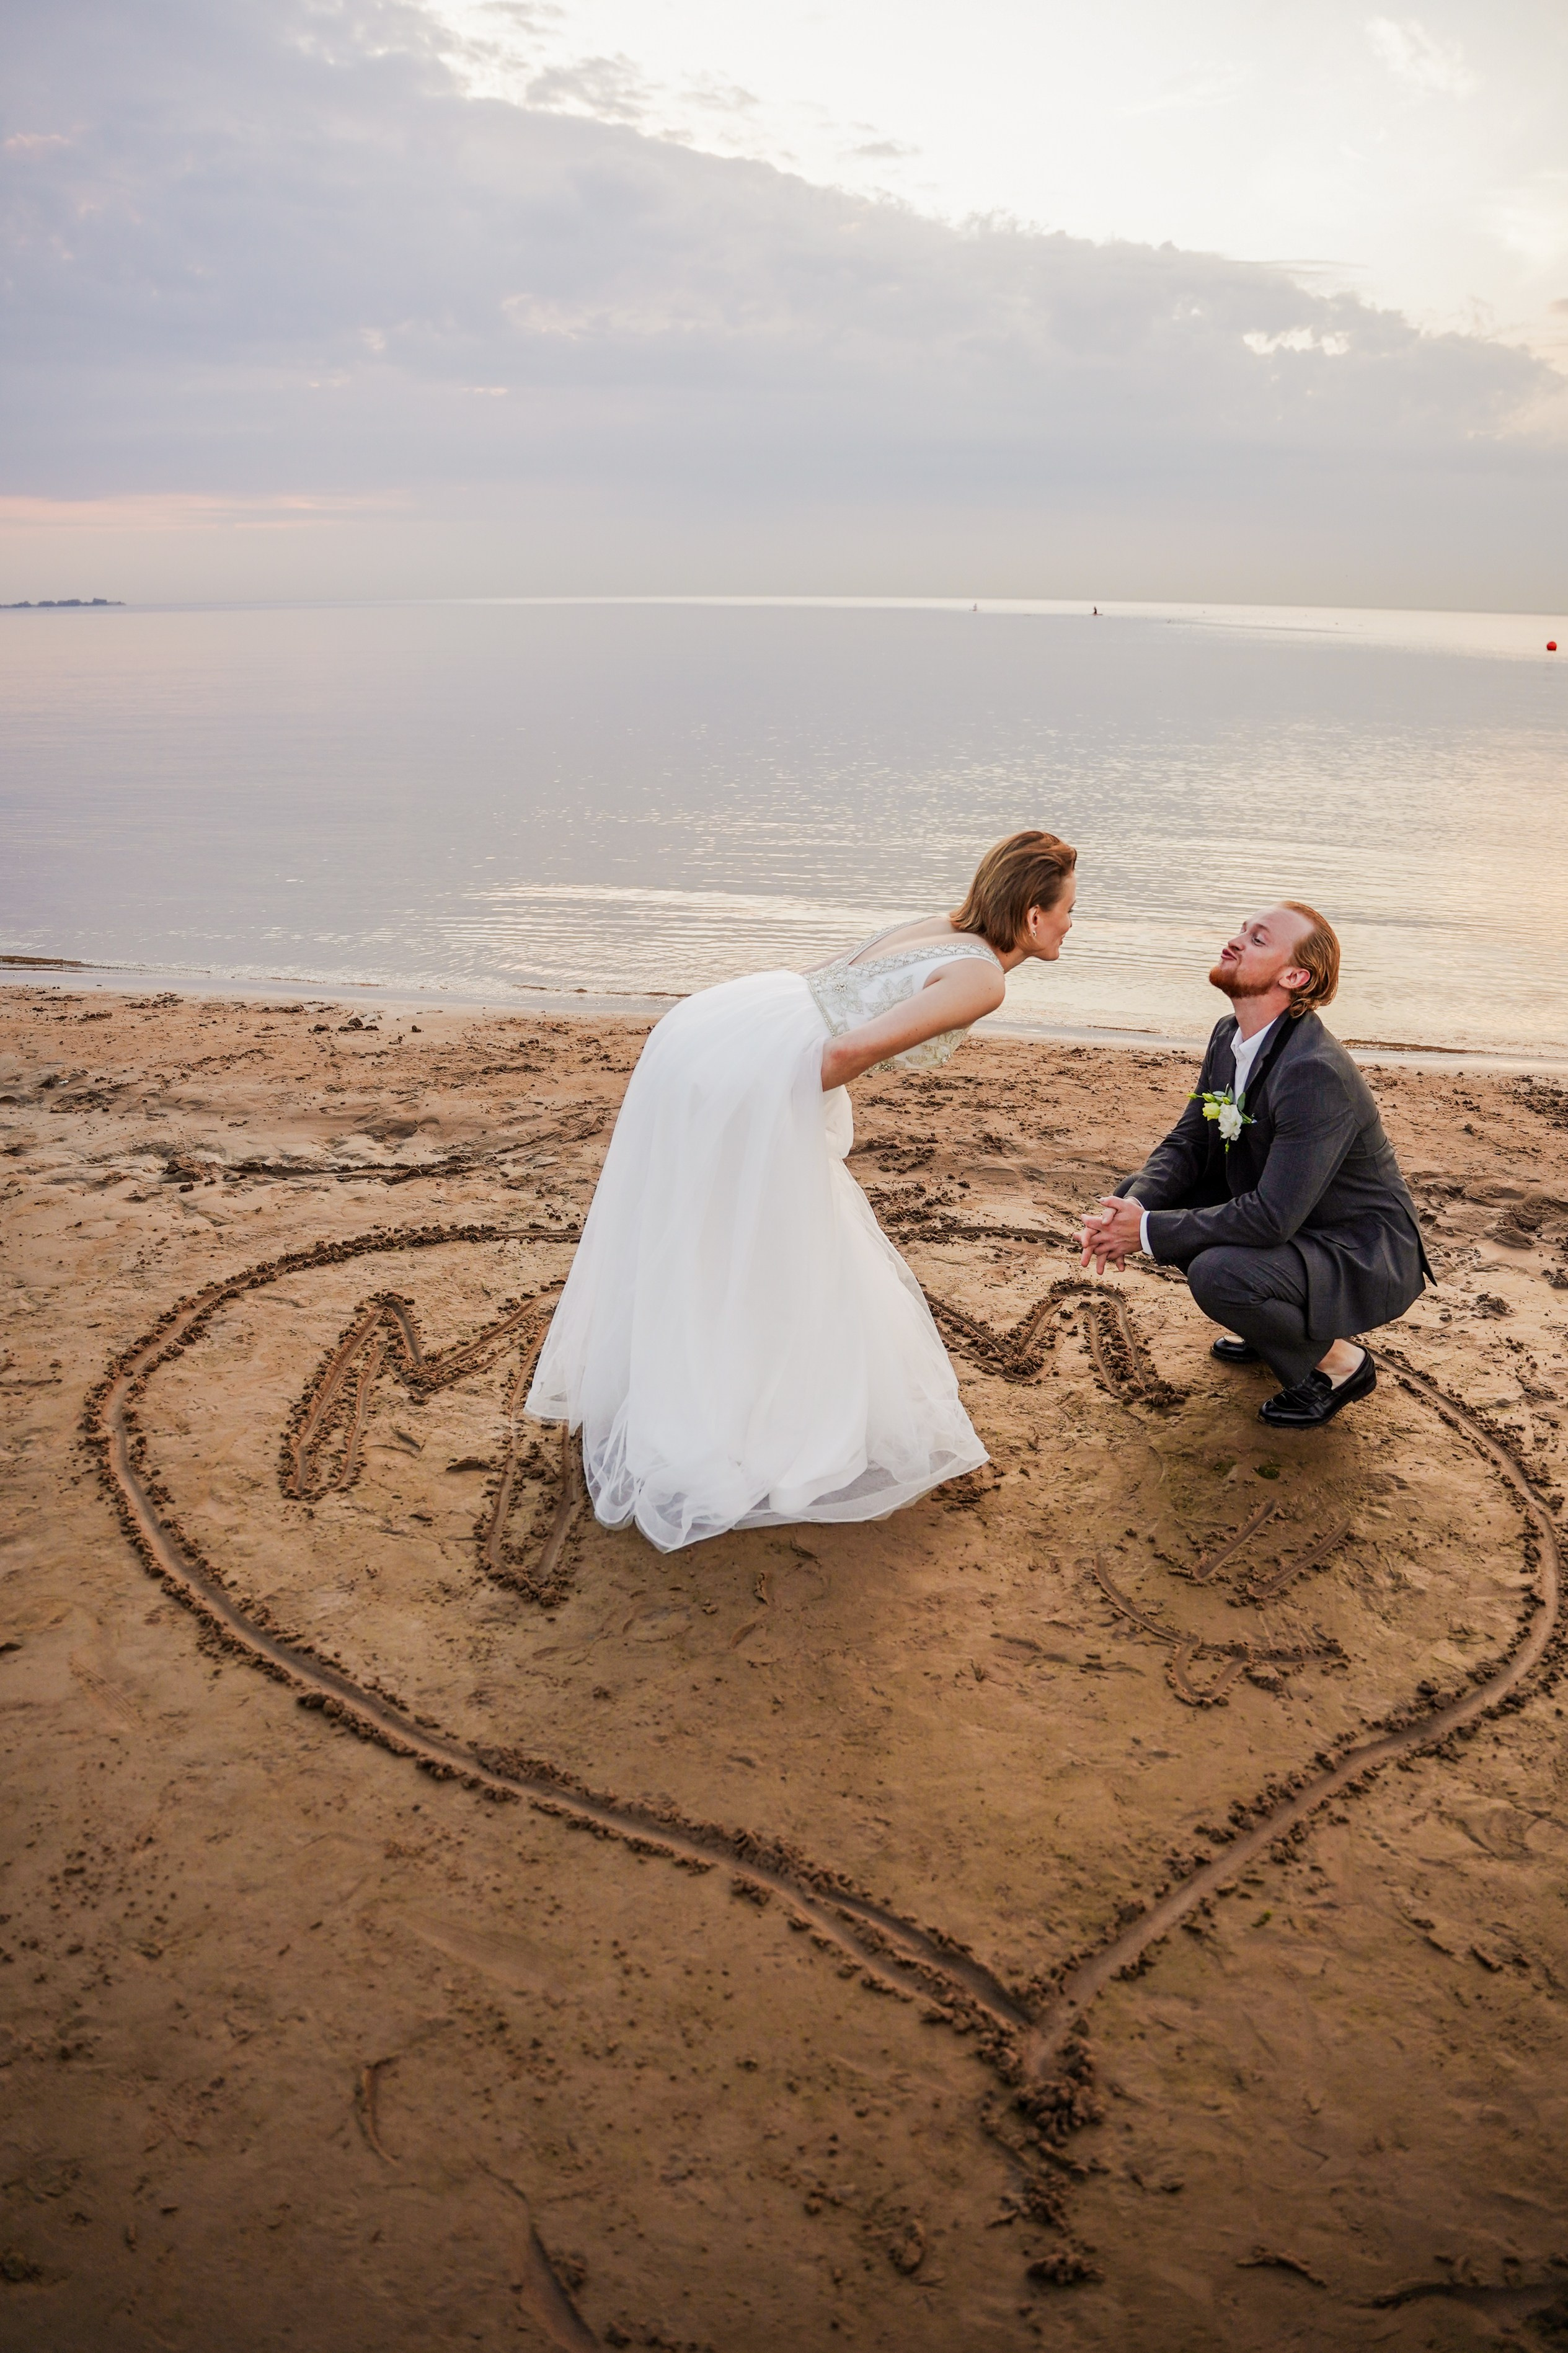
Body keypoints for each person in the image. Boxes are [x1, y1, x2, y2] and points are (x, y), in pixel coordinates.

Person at [528, 830, 1078, 1550]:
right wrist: (771, 1113)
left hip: (731, 1023)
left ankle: (691, 1387)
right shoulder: (984, 979)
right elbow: (846, 1049)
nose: (1071, 924)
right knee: (777, 1236)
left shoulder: (940, 927)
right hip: (761, 1067)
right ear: (1033, 915)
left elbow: (824, 986)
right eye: (1068, 909)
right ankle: (729, 1420)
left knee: (726, 1229)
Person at [1079, 902, 1430, 1430]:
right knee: (1145, 1189)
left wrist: (1145, 1232)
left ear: (1295, 977)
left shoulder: (1313, 1072)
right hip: (1294, 1215)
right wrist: (1131, 1209)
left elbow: (1270, 1219)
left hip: (1354, 1245)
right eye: (1242, 931)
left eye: (1258, 939)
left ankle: (1338, 1365)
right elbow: (1189, 1141)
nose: (1236, 941)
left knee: (1219, 1274)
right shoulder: (1229, 1033)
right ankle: (1269, 1329)